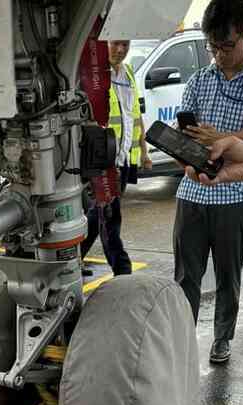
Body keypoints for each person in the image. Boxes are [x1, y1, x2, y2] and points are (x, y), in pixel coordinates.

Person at [174, 0, 243, 364]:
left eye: (227, 46)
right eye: (213, 47)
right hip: (191, 192)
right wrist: (186, 156)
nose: (219, 55)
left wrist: (216, 137)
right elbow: (185, 135)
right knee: (186, 275)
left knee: (227, 277)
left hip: (234, 194)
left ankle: (222, 338)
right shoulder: (198, 80)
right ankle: (183, 340)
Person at [80, 39, 152, 276]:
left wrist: (143, 151)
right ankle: (122, 270)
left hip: (122, 159)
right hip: (103, 163)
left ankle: (71, 259)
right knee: (110, 216)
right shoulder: (95, 76)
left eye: (126, 45)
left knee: (98, 214)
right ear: (104, 43)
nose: (120, 50)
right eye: (116, 44)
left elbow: (135, 115)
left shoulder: (128, 72)